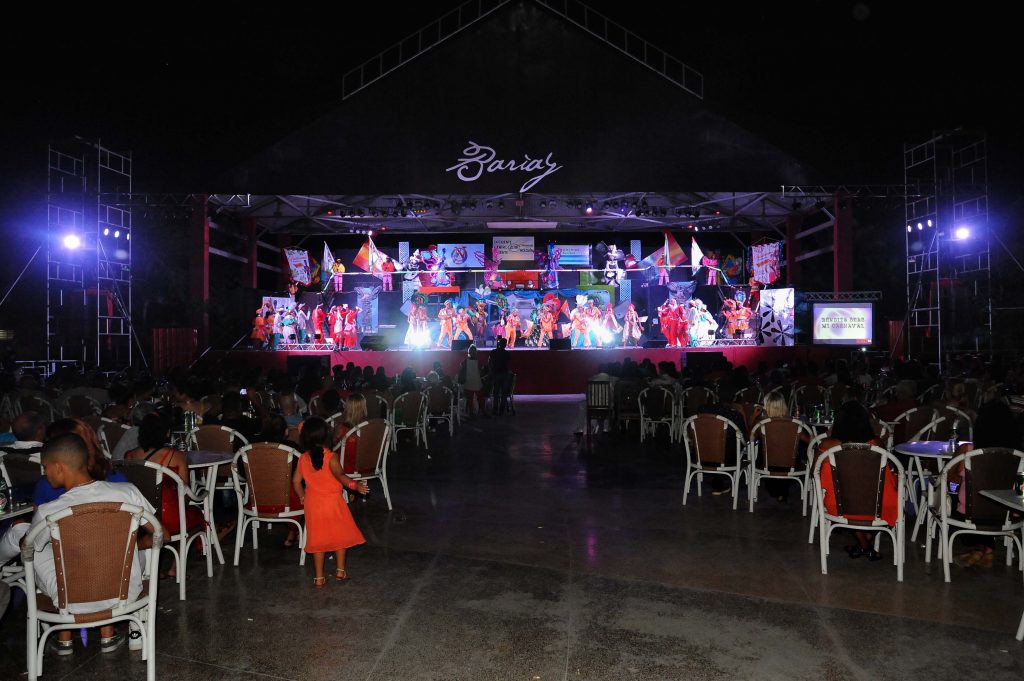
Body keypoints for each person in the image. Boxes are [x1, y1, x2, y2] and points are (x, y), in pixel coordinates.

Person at [26, 434, 158, 654]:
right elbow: (161, 534)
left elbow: (31, 550)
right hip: (125, 594)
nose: (44, 473)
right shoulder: (127, 492)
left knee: (31, 547)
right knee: (136, 545)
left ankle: (63, 635)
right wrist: (133, 544)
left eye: (45, 467)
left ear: (58, 467)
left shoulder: (48, 511)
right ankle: (127, 626)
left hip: (71, 602)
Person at [292, 417, 368, 588]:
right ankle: (340, 571)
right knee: (340, 537)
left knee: (317, 541)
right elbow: (341, 477)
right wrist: (355, 485)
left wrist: (302, 495)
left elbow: (296, 481)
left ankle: (319, 578)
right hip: (333, 504)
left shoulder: (303, 458)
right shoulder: (331, 457)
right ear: (326, 436)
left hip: (313, 505)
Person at [947, 399, 1023, 567]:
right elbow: (1021, 489)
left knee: (957, 498)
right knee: (989, 505)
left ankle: (980, 548)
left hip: (970, 516)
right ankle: (985, 548)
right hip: (1007, 516)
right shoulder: (1019, 457)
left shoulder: (968, 451)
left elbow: (949, 477)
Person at [125, 413, 208, 565]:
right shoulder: (175, 456)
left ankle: (151, 566)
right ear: (167, 433)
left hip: (140, 517)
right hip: (167, 518)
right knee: (195, 514)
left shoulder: (130, 456)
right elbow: (185, 493)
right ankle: (175, 566)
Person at [817, 401, 894, 560]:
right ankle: (866, 546)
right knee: (889, 500)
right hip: (877, 504)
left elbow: (814, 472)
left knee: (848, 499)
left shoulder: (828, 445)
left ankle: (863, 546)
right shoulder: (877, 444)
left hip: (842, 504)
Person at [332, 393, 368, 474]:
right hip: (367, 467)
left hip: (345, 467)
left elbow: (332, 446)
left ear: (347, 408)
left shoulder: (341, 428)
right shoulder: (370, 427)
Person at [459, 345, 486, 416]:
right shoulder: (478, 362)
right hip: (477, 383)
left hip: (468, 383)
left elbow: (461, 370)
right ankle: (483, 411)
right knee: (480, 398)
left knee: (470, 399)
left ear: (469, 353)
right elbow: (481, 371)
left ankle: (471, 413)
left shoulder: (465, 362)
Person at [488, 337, 512, 415]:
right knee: (504, 393)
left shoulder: (493, 352)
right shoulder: (507, 353)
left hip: (496, 374)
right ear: (505, 345)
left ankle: (495, 409)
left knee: (496, 392)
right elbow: (508, 363)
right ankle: (501, 409)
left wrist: (491, 371)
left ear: (499, 344)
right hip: (504, 374)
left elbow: (489, 362)